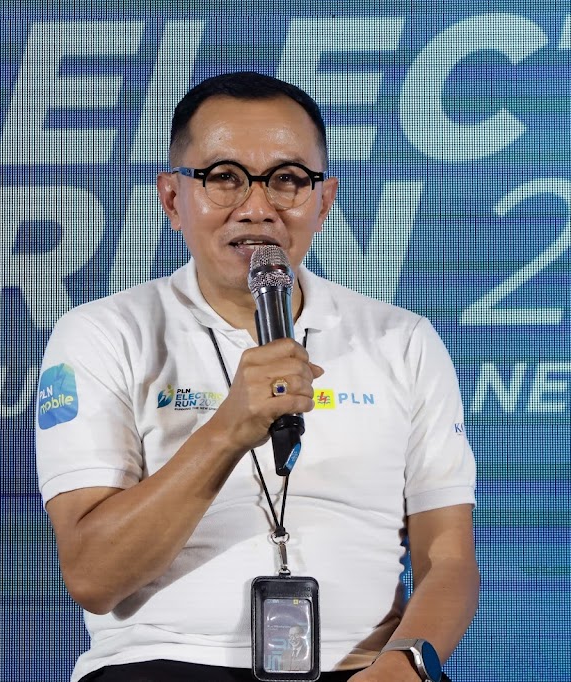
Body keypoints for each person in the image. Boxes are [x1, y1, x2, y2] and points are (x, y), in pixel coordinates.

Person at [36, 71, 478, 682]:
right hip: (166, 663)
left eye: (288, 180)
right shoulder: (104, 333)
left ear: (324, 202)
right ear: (172, 199)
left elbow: (448, 558)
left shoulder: (402, 340)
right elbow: (92, 577)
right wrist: (228, 429)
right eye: (224, 178)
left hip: (365, 668)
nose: (257, 208)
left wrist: (404, 668)